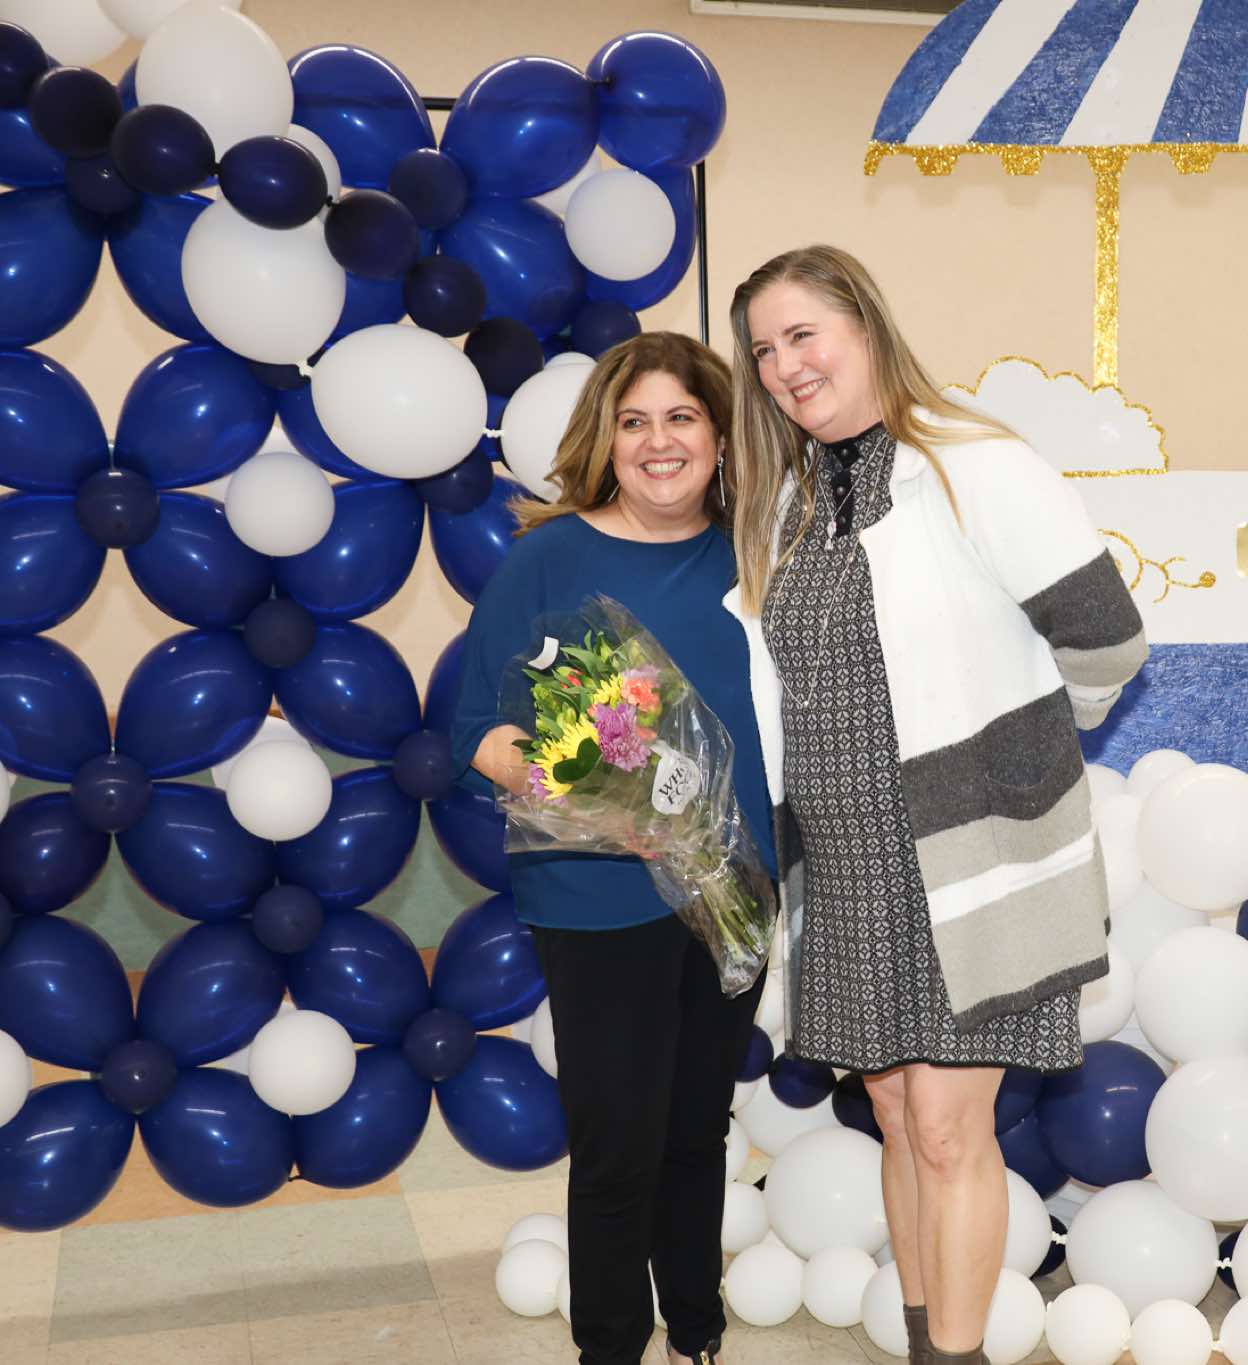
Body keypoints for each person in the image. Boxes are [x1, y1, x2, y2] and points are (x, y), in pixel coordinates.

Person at [725, 246, 1147, 1365]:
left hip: (971, 862)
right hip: (843, 869)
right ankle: (925, 1340)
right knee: (899, 1123)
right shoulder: (787, 505)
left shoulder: (975, 465)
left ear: (865, 327)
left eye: (803, 335)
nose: (784, 366)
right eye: (763, 351)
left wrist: (1023, 755)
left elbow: (1106, 639)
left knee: (952, 1131)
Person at [451, 333, 773, 1365]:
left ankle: (698, 1333)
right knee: (616, 1145)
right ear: (606, 438)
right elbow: (478, 731)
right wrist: (597, 797)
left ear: (719, 436)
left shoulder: (760, 552)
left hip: (735, 885)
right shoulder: (548, 559)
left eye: (681, 417)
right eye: (633, 421)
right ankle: (610, 1348)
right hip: (596, 892)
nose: (657, 441)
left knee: (697, 1130)